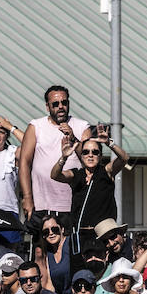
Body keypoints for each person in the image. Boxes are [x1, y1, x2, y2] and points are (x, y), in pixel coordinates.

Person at [19, 85, 91, 228]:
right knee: (41, 249)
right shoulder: (36, 126)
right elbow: (24, 163)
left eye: (64, 103)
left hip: (72, 205)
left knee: (70, 248)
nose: (61, 107)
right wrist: (27, 197)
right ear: (48, 106)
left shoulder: (82, 126)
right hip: (42, 204)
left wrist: (73, 137)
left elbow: (89, 160)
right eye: (55, 104)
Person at [51, 125, 130, 249]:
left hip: (103, 235)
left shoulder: (106, 171)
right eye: (86, 152)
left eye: (95, 152)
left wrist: (109, 142)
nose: (90, 155)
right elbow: (55, 175)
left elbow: (124, 158)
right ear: (81, 156)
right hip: (80, 235)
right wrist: (64, 157)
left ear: (100, 155)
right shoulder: (76, 174)